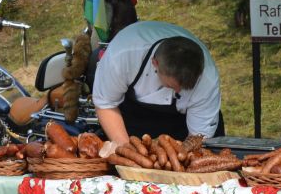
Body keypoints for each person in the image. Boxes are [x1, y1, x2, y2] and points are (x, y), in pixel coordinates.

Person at [92, 20, 222, 143]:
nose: (178, 91)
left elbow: (198, 137)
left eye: (187, 87)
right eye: (171, 86)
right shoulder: (122, 55)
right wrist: (126, 151)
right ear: (155, 63)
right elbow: (106, 104)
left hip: (183, 123)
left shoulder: (207, 78)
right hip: (133, 120)